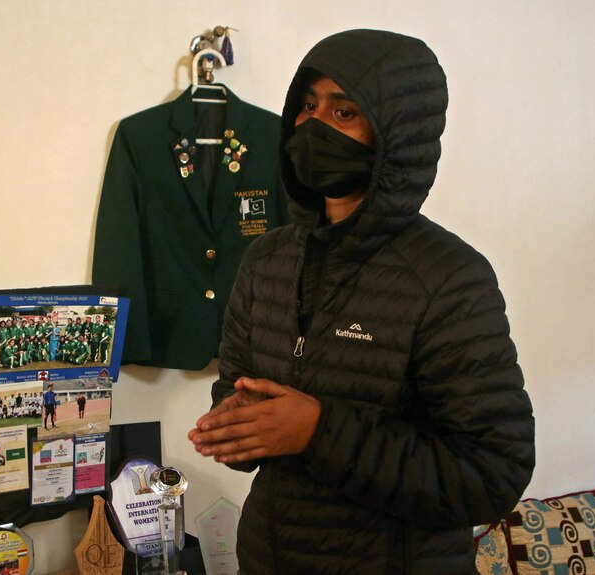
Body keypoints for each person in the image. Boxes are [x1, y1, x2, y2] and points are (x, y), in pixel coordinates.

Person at [188, 29, 535, 574]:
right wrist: (238, 428)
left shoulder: (450, 278)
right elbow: (233, 384)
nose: (312, 125)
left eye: (344, 111)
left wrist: (319, 431)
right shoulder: (267, 260)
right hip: (267, 557)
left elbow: (492, 473)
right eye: (307, 105)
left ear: (396, 134)